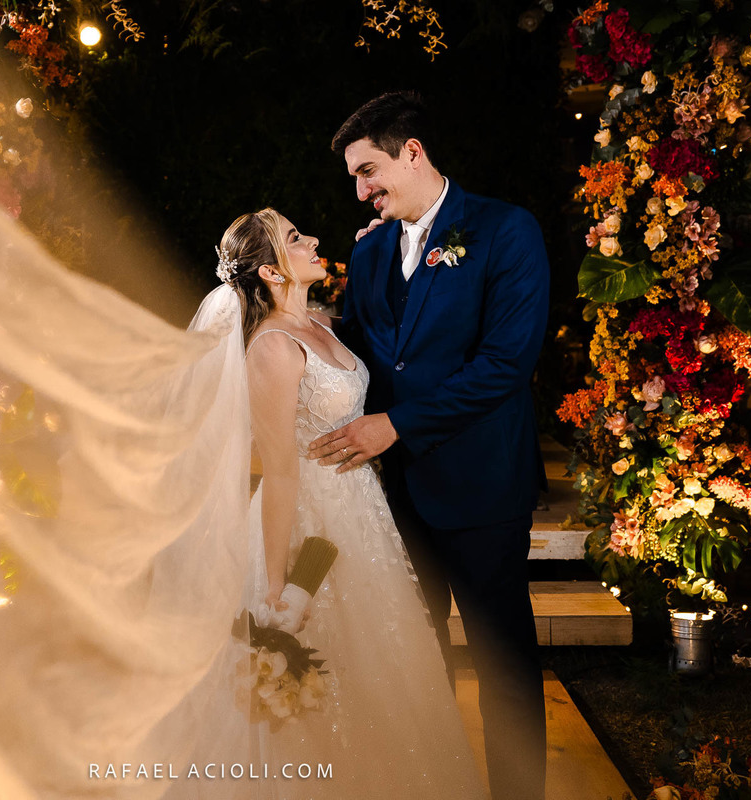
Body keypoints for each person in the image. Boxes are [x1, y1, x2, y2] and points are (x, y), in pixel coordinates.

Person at [309, 91, 550, 800]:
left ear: (412, 153)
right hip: (396, 498)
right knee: (417, 660)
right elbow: (367, 351)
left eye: (369, 171)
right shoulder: (372, 249)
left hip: (483, 491)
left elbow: (506, 365)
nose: (361, 191)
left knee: (503, 667)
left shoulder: (506, 230)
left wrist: (396, 425)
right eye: (355, 178)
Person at [205, 208, 483, 797]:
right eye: (294, 238)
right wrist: (276, 585)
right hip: (310, 519)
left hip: (361, 512)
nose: (312, 240)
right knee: (326, 664)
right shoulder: (272, 348)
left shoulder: (321, 324)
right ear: (270, 273)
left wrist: (389, 247)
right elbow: (280, 473)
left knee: (385, 659)